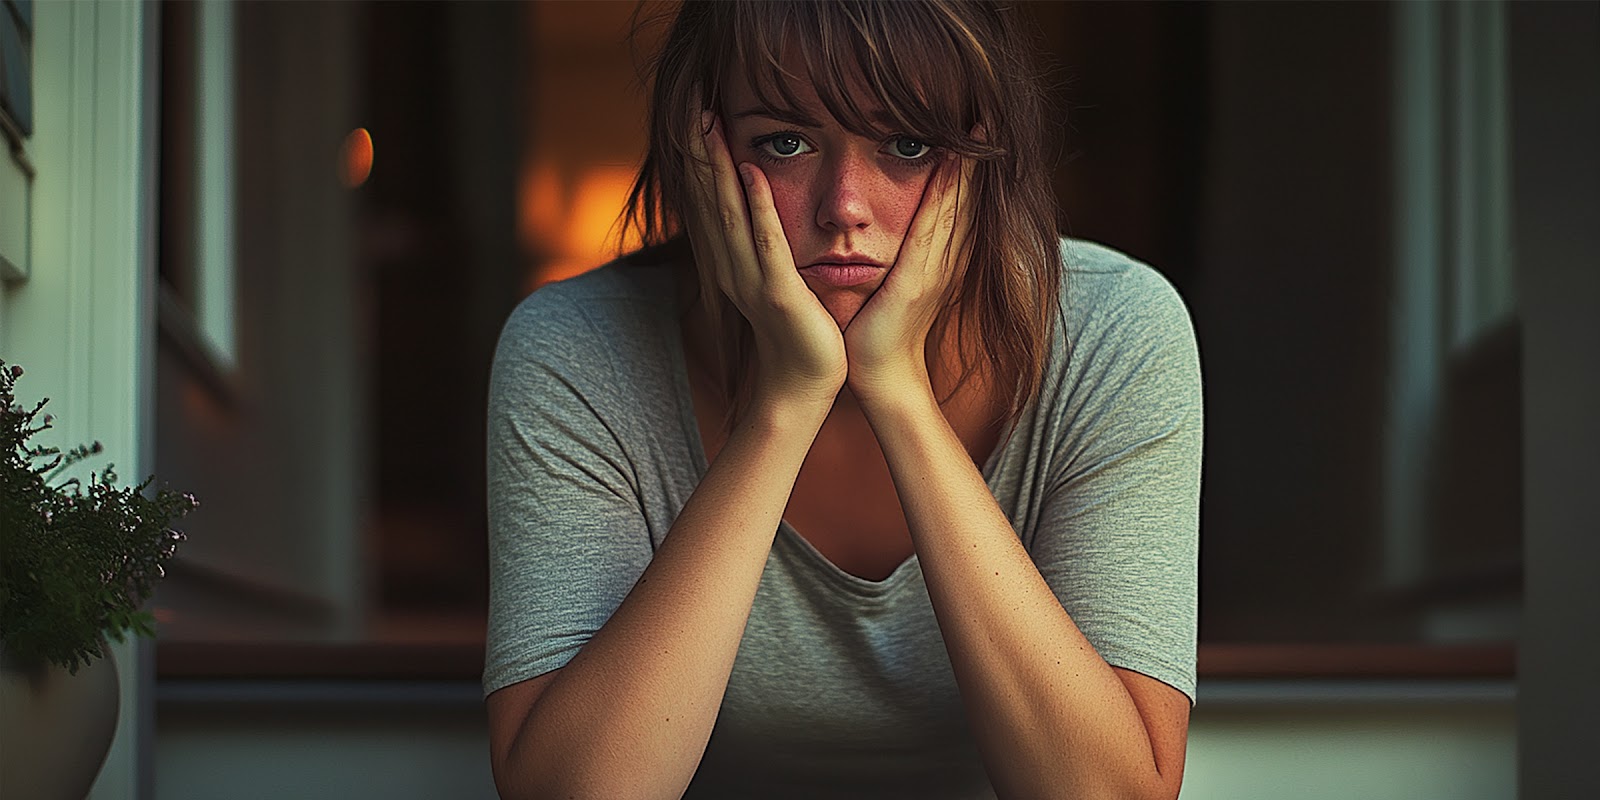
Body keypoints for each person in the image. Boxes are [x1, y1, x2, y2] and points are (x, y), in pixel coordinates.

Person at [483, 2, 1201, 798]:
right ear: (702, 149)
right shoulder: (579, 345)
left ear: (983, 156)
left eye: (906, 144)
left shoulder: (1112, 330)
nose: (845, 207)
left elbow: (1109, 795)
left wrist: (899, 393)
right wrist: (784, 406)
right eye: (784, 143)